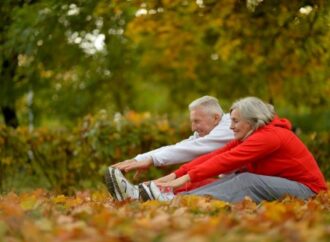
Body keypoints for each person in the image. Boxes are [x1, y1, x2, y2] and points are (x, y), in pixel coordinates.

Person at [109, 96, 327, 203]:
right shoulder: (250, 136)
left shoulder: (270, 136)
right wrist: (174, 175)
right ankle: (163, 197)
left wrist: (179, 181)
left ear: (252, 121)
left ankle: (177, 200)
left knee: (245, 180)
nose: (230, 126)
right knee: (232, 179)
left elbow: (227, 160)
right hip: (288, 187)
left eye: (234, 121)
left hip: (308, 191)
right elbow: (216, 155)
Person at [105, 96, 234, 201]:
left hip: (242, 184)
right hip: (231, 182)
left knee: (190, 182)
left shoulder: (229, 128)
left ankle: (140, 194)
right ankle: (138, 193)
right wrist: (138, 159)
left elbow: (190, 148)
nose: (193, 128)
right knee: (188, 180)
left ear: (216, 118)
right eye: (192, 121)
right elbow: (180, 146)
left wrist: (151, 160)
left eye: (197, 121)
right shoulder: (214, 127)